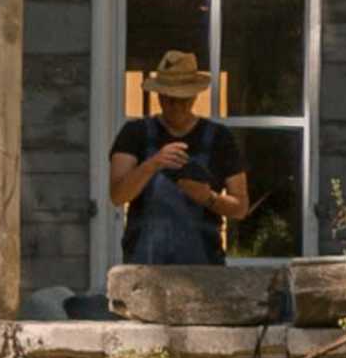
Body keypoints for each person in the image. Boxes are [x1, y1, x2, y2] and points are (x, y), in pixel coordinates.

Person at [107, 49, 249, 273]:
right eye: (169, 99)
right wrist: (152, 164)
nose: (176, 106)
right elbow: (118, 195)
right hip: (145, 267)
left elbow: (240, 208)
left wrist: (208, 198)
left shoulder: (220, 138)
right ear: (159, 96)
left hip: (203, 269)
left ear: (194, 96)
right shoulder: (135, 133)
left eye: (183, 99)